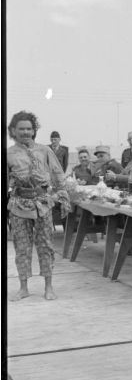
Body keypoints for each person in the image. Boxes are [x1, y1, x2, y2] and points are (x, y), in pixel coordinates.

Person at [7, 111, 70, 300]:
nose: (26, 132)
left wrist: (63, 196)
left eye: (29, 129)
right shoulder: (8, 154)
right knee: (22, 247)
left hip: (43, 203)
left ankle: (48, 287)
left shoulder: (45, 150)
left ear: (34, 130)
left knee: (45, 245)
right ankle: (23, 288)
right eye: (21, 129)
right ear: (13, 131)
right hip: (19, 205)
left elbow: (58, 174)